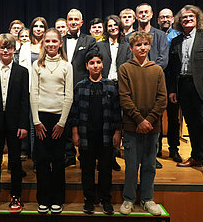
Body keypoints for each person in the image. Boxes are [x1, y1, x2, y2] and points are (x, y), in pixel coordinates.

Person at [168, 5, 203, 178]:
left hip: (202, 88)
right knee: (190, 124)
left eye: (191, 16)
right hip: (183, 87)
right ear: (179, 21)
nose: (187, 19)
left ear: (198, 18)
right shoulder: (176, 41)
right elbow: (172, 69)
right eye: (184, 17)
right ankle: (196, 156)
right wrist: (173, 90)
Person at [118, 31, 167, 216]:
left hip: (152, 127)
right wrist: (139, 120)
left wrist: (149, 120)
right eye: (138, 45)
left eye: (145, 44)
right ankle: (129, 199)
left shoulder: (157, 70)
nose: (142, 48)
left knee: (149, 165)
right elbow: (124, 98)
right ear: (131, 48)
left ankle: (147, 199)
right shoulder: (125, 69)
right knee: (131, 165)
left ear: (150, 46)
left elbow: (162, 99)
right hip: (132, 126)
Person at [70, 50, 121, 215]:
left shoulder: (111, 86)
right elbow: (75, 112)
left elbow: (116, 111)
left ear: (102, 64)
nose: (95, 65)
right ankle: (89, 199)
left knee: (105, 169)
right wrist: (75, 132)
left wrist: (117, 132)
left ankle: (106, 199)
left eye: (98, 62)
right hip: (86, 135)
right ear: (87, 66)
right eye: (92, 63)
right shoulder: (80, 86)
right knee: (87, 168)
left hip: (106, 134)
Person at [0, 33, 29, 213]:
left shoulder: (22, 72)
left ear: (14, 49)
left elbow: (25, 100)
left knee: (15, 161)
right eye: (2, 47)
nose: (5, 50)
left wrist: (24, 125)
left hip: (15, 124)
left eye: (9, 47)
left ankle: (16, 196)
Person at [30, 28, 73, 214]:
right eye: (47, 41)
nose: (51, 45)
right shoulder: (36, 65)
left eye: (54, 41)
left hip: (59, 119)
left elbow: (69, 95)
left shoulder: (66, 65)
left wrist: (62, 122)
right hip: (41, 118)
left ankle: (57, 198)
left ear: (60, 43)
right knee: (41, 161)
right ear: (43, 43)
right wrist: (36, 121)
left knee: (57, 160)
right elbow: (34, 93)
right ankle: (44, 198)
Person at [134, 3, 169, 169]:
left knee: (155, 118)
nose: (143, 14)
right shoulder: (130, 36)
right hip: (135, 82)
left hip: (155, 81)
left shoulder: (161, 35)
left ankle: (153, 155)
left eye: (146, 12)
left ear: (151, 14)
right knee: (136, 116)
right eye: (140, 12)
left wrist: (148, 72)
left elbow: (163, 59)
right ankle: (136, 154)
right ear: (136, 16)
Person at [97, 15, 132, 171]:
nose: (112, 28)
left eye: (115, 25)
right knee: (104, 122)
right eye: (109, 26)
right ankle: (102, 157)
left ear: (120, 27)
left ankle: (114, 156)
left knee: (118, 122)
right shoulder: (100, 45)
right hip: (104, 86)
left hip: (121, 86)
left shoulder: (127, 45)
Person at [62, 8, 97, 167]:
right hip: (61, 87)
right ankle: (68, 154)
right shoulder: (59, 40)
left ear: (81, 22)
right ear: (67, 22)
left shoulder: (89, 41)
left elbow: (92, 62)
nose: (73, 22)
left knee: (84, 121)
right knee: (66, 121)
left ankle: (85, 154)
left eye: (76, 19)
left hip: (82, 87)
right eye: (70, 19)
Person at [18, 17, 48, 165]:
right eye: (35, 26)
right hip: (30, 90)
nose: (38, 29)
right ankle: (36, 159)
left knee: (45, 124)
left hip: (47, 90)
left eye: (41, 26)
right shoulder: (25, 47)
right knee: (32, 125)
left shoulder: (49, 45)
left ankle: (44, 157)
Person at [157, 9, 182, 163]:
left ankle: (174, 149)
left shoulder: (178, 37)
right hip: (157, 82)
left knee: (173, 118)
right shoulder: (155, 36)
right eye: (162, 17)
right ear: (158, 20)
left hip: (173, 82)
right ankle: (157, 148)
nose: (165, 19)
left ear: (173, 19)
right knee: (156, 118)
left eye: (168, 17)